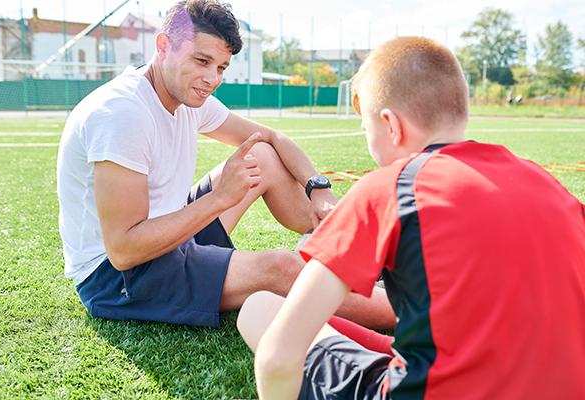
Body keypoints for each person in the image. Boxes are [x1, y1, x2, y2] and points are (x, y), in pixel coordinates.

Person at [237, 36, 585, 399]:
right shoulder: (549, 184)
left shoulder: (391, 186)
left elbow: (278, 357)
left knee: (260, 309)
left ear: (391, 126)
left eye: (366, 132)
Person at [56, 0, 395, 329]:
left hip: (170, 233)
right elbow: (124, 250)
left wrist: (317, 188)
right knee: (279, 267)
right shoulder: (123, 113)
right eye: (201, 60)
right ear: (163, 46)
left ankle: (340, 252)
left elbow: (273, 138)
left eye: (220, 67)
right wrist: (219, 198)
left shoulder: (189, 96)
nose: (211, 78)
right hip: (115, 277)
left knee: (260, 154)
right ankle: (418, 311)